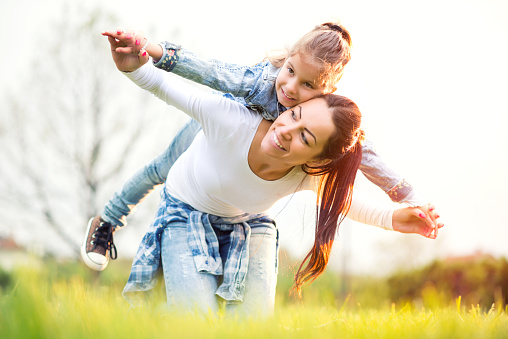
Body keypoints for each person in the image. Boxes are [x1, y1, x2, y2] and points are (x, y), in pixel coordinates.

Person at [102, 32, 443, 317]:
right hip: (186, 212)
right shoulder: (232, 116)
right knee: (195, 321)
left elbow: (347, 202)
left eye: (305, 137)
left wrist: (398, 217)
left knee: (251, 329)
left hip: (249, 224)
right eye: (293, 115)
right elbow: (175, 85)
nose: (285, 131)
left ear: (316, 159)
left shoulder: (307, 172)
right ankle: (109, 222)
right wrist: (137, 64)